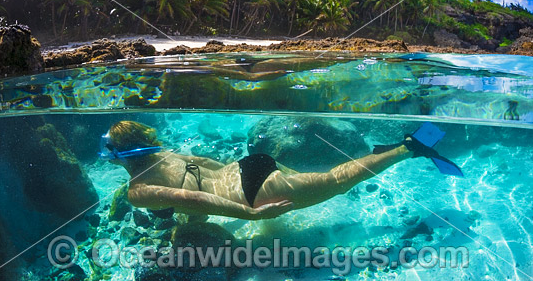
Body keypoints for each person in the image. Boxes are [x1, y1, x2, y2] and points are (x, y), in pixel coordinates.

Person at [101, 120, 460, 220]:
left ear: (117, 157)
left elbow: (193, 198)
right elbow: (209, 167)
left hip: (251, 193)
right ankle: (389, 152)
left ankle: (407, 148)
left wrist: (250, 215)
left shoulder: (137, 192)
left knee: (337, 181)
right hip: (248, 168)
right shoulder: (167, 153)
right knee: (330, 179)